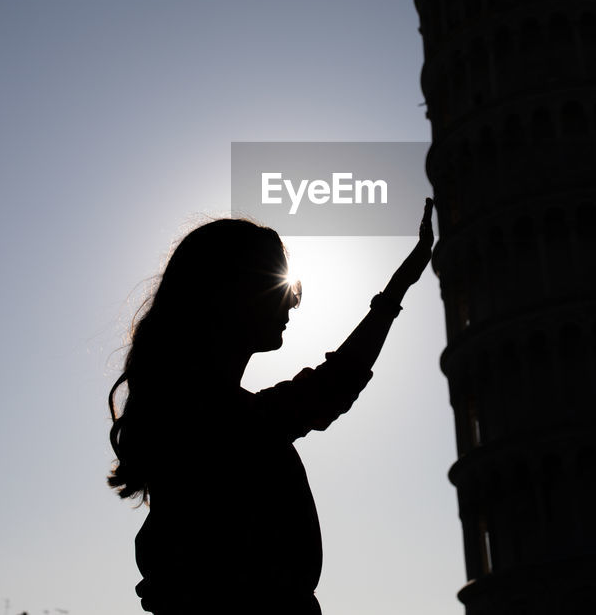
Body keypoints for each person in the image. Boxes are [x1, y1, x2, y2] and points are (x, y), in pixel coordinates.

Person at [107, 199, 434, 614]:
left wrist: (397, 289)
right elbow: (332, 386)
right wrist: (395, 291)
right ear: (226, 295)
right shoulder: (211, 420)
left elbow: (328, 387)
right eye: (275, 284)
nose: (290, 303)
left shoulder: (206, 413)